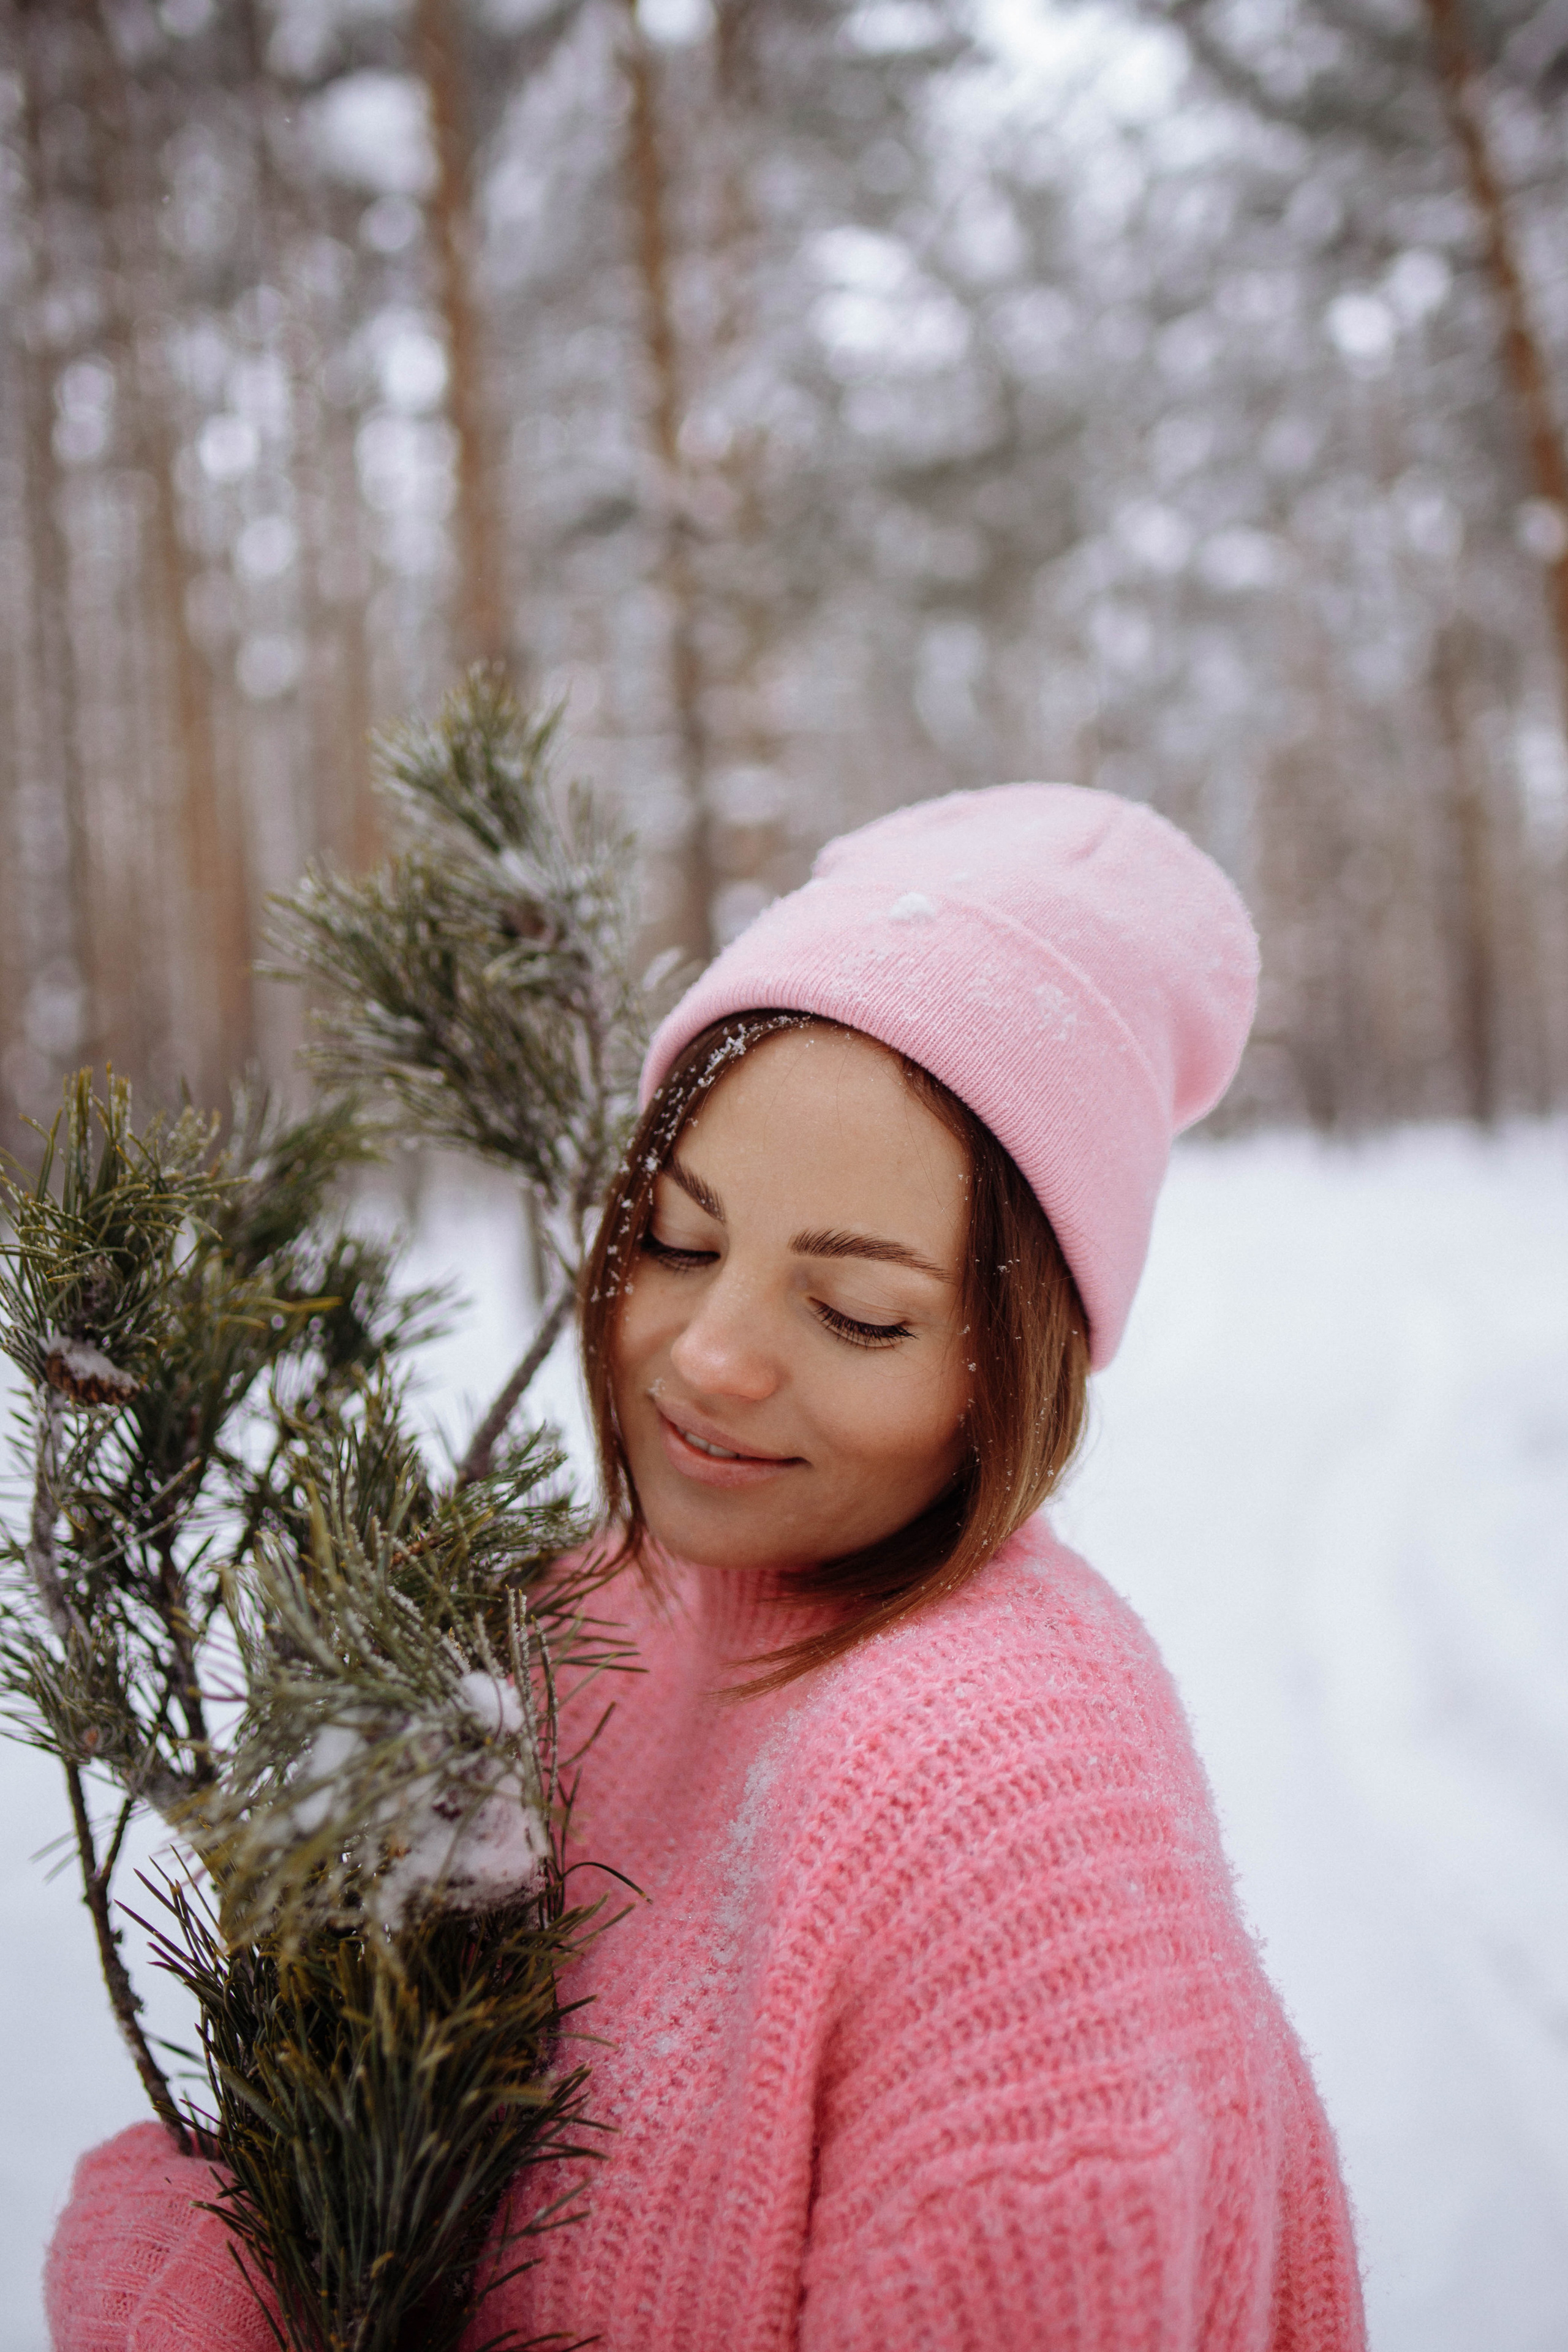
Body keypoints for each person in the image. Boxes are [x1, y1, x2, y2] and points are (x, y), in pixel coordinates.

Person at [45, 784, 1365, 2351]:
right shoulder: (558, 1615)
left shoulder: (1004, 1802)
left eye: (857, 1313)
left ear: (1014, 1364)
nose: (712, 1354)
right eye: (676, 1240)